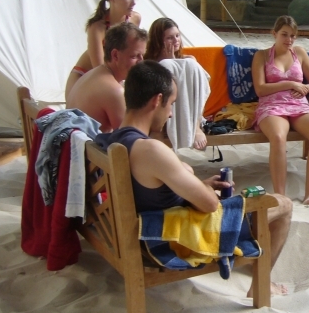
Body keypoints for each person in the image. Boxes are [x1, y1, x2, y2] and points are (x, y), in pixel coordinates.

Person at [97, 60, 293, 296]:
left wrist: (197, 183)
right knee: (283, 204)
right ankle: (262, 285)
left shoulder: (111, 140)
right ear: (157, 100)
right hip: (168, 239)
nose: (171, 113)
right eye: (171, 104)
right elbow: (209, 205)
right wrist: (204, 189)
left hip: (137, 228)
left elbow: (151, 187)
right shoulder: (150, 150)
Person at [252, 15, 309, 205]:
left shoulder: (299, 53)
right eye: (284, 35)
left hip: (298, 105)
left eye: (293, 36)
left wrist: (306, 88)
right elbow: (260, 89)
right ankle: (281, 196)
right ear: (274, 34)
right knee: (278, 137)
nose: (289, 39)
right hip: (272, 105)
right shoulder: (262, 56)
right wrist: (291, 83)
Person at [65, 0, 142, 100]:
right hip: (85, 78)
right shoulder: (97, 28)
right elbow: (100, 68)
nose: (133, 3)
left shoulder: (135, 19)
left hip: (113, 78)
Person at [66, 23, 147, 132]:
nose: (141, 62)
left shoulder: (92, 75)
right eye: (134, 56)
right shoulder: (114, 91)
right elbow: (130, 137)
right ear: (115, 55)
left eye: (142, 55)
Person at [145, 17, 207, 150]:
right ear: (158, 40)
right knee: (165, 67)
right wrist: (169, 63)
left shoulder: (188, 60)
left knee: (191, 64)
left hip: (187, 108)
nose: (176, 40)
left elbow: (200, 88)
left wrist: (174, 62)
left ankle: (195, 126)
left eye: (177, 36)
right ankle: (158, 129)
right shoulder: (148, 61)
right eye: (170, 38)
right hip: (158, 110)